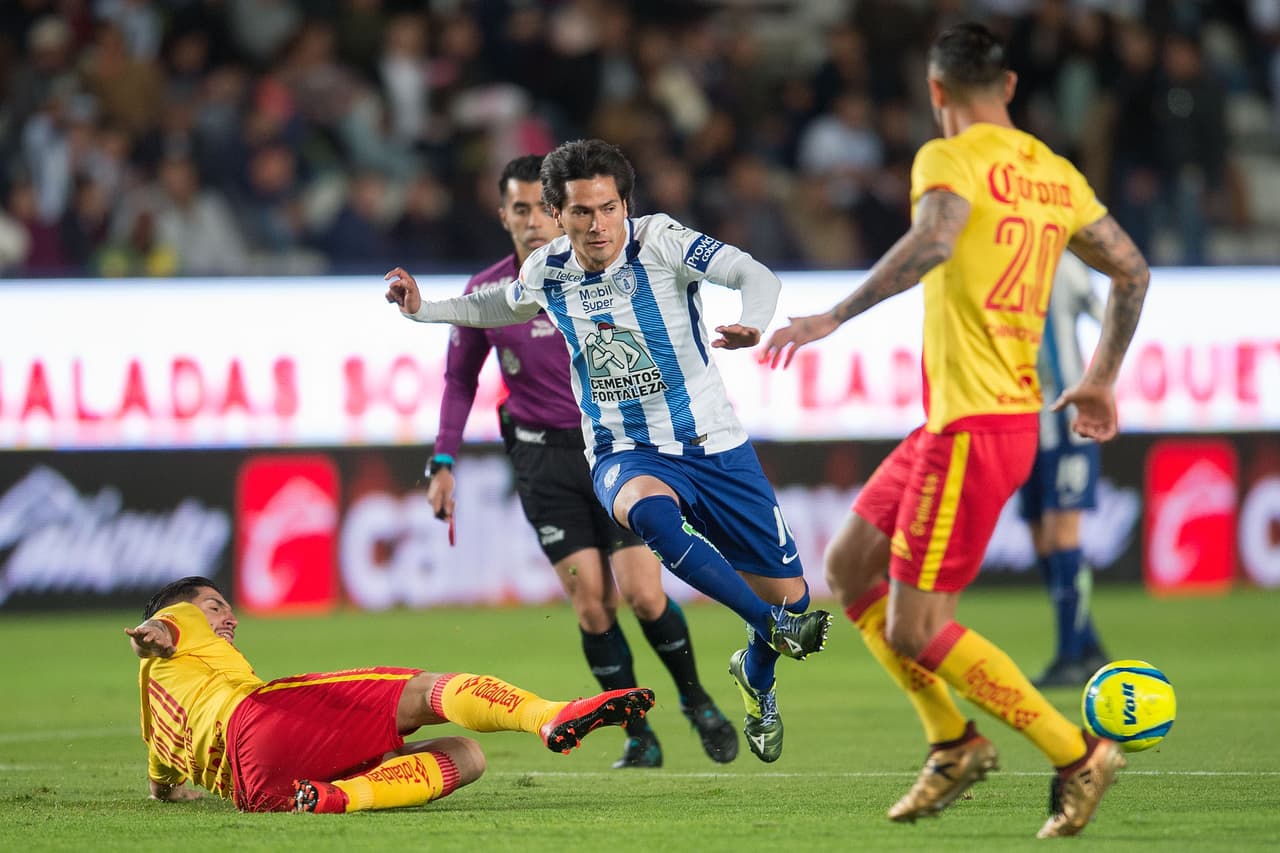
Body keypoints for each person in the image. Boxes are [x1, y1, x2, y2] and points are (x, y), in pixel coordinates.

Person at [761, 23, 1149, 838]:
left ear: (936, 92)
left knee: (916, 626)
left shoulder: (948, 156)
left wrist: (833, 314)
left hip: (975, 425)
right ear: (1007, 86)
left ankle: (1076, 752)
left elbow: (937, 238)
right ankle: (952, 741)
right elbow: (1132, 269)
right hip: (966, 420)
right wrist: (1101, 376)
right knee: (848, 563)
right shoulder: (1055, 174)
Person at [385, 138, 831, 764]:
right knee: (647, 517)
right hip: (623, 451)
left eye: (608, 208)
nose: (598, 225)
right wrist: (424, 310)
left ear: (626, 204)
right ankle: (770, 624)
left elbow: (754, 273)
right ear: (556, 214)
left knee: (797, 596)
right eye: (581, 213)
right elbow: (498, 303)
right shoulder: (548, 270)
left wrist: (753, 321)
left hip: (717, 447)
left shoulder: (665, 241)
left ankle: (757, 668)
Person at [424, 154, 736, 768]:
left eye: (543, 208)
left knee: (645, 595)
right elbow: (460, 381)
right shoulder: (489, 295)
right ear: (503, 216)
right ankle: (638, 732)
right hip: (544, 461)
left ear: (561, 210)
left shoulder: (605, 276)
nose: (534, 221)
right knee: (592, 602)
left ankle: (696, 699)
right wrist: (442, 460)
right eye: (520, 210)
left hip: (619, 449)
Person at [126, 576, 654, 813]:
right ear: (189, 609)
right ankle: (550, 714)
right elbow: (161, 628)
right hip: (257, 719)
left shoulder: (157, 727)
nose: (229, 616)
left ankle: (340, 798)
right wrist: (155, 632)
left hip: (263, 795)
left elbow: (161, 785)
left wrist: (170, 794)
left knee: (465, 756)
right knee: (421, 691)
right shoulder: (181, 620)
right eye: (217, 606)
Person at [1019, 251, 1110, 688]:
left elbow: (1106, 313)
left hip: (1068, 423)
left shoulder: (1060, 262)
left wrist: (1099, 382)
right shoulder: (996, 259)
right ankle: (1087, 646)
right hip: (1023, 424)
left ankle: (1072, 654)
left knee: (1062, 535)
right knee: (1040, 535)